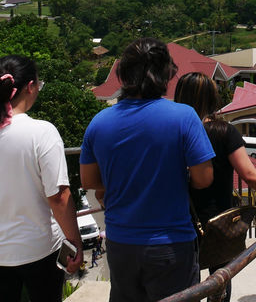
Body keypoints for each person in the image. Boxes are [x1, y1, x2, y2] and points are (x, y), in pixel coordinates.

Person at [80, 38, 215, 302]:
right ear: (166, 73)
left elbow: (89, 179)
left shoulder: (99, 123)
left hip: (120, 242)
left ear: (123, 74)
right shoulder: (184, 116)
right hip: (171, 243)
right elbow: (204, 178)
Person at [174, 72, 256, 301]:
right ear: (211, 98)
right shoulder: (223, 132)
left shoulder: (173, 131)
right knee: (220, 283)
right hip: (219, 224)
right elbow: (250, 175)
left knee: (186, 287)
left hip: (180, 220)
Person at [0, 55, 82, 302]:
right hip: (36, 249)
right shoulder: (41, 132)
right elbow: (59, 197)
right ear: (30, 86)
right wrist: (74, 243)